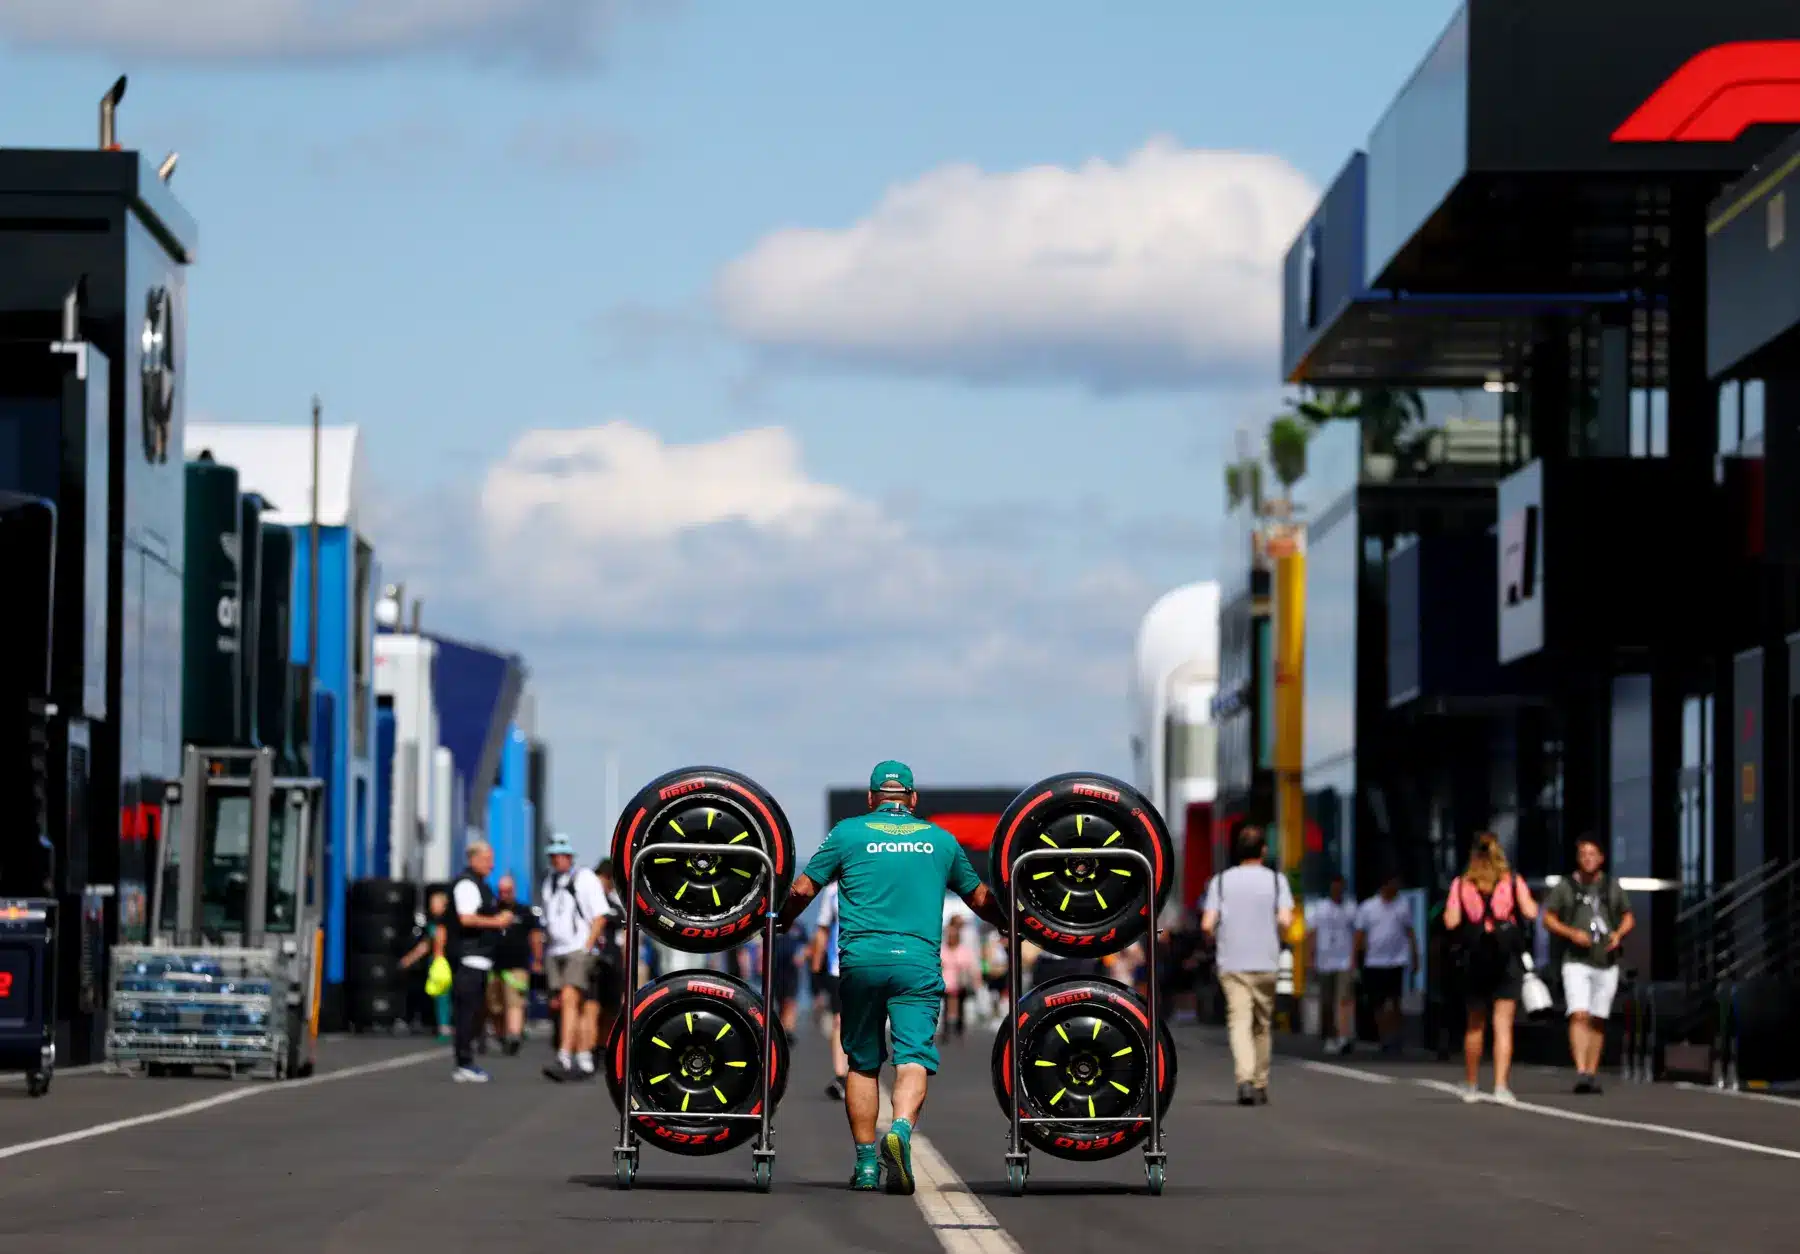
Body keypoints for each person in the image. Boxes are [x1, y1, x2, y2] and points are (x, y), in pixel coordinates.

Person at [777, 760, 1008, 1195]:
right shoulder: (940, 839)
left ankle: (866, 1166)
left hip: (862, 962)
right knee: (913, 1059)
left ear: (871, 799)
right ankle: (899, 1129)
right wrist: (1008, 922)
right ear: (913, 799)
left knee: (862, 1065)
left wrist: (783, 921)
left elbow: (801, 890)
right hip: (917, 965)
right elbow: (979, 897)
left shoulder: (847, 832)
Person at [1201, 824, 1293, 1106]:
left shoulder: (1221, 881)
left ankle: (1244, 1079)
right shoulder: (1277, 881)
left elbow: (1207, 924)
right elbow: (1286, 921)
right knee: (1262, 1024)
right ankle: (1261, 1081)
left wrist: (1219, 938)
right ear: (1264, 850)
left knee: (1238, 1021)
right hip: (1266, 961)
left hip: (1233, 962)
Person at [1443, 832, 1539, 1104]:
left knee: (1475, 1025)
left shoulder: (1462, 884)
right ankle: (1501, 1086)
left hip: (1474, 958)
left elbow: (1451, 921)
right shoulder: (1511, 881)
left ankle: (1472, 1085)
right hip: (1506, 957)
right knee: (1503, 1025)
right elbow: (1531, 912)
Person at [1542, 837, 1634, 1094]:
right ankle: (1581, 1069)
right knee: (1579, 1013)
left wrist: (1618, 935)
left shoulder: (1611, 886)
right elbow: (1548, 918)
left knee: (1598, 1017)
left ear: (1601, 858)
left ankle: (1592, 1072)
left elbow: (1628, 916)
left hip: (1606, 961)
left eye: (1593, 854)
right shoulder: (1566, 886)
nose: (1588, 859)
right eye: (1583, 854)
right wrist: (1570, 933)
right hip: (1576, 960)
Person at [539, 835, 610, 1082]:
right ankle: (582, 1055)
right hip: (556, 950)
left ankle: (565, 1054)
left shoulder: (584, 879)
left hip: (577, 949)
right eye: (553, 856)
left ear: (570, 857)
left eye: (561, 855)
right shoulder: (549, 882)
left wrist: (586, 947)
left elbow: (600, 916)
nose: (557, 860)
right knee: (569, 1005)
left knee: (571, 998)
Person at [448, 841, 514, 1083]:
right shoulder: (467, 884)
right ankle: (464, 1063)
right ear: (473, 859)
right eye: (487, 859)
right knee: (467, 1012)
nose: (491, 864)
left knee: (475, 1012)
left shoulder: (481, 885)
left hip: (480, 960)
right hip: (469, 959)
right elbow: (466, 918)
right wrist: (498, 922)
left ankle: (467, 1060)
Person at [1354, 874, 1418, 1054]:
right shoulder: (1368, 907)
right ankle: (1384, 1037)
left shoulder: (1402, 906)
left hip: (1396, 960)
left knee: (1395, 1000)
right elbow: (1359, 935)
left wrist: (1415, 957)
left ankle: (1396, 1036)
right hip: (1375, 961)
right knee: (1378, 1002)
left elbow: (1410, 932)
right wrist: (1355, 959)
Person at [485, 875, 539, 1057]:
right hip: (494, 966)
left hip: (517, 966)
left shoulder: (524, 911)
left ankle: (514, 1035)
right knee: (495, 1005)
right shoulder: (491, 910)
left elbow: (535, 936)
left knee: (514, 1002)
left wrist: (538, 959)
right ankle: (500, 1035)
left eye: (507, 891)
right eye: (501, 891)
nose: (504, 894)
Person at [1307, 873, 1358, 1055]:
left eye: (1341, 887)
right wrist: (1310, 958)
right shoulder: (1320, 908)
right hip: (1325, 960)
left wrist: (1354, 958)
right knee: (1327, 1001)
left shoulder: (1351, 908)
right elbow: (1311, 934)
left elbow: (1356, 934)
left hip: (1344, 960)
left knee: (1344, 999)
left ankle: (1345, 1036)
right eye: (1335, 887)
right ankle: (1330, 1036)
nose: (1338, 890)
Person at [812, 880, 849, 1100]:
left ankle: (860, 1071)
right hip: (838, 966)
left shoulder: (872, 881)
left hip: (866, 964)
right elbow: (823, 929)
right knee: (839, 1020)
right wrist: (816, 967)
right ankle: (841, 1075)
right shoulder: (832, 892)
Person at [399, 888, 452, 1041]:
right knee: (440, 995)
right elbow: (425, 946)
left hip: (448, 962)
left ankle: (452, 1026)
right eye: (431, 904)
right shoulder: (432, 925)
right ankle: (443, 1026)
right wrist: (409, 959)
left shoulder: (451, 924)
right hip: (436, 963)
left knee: (451, 996)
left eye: (436, 904)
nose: (432, 907)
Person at [939, 915, 981, 1041]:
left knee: (961, 1007)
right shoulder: (943, 949)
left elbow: (971, 965)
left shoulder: (964, 950)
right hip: (947, 982)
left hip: (960, 982)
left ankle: (959, 1028)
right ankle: (945, 1030)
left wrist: (976, 979)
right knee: (946, 1007)